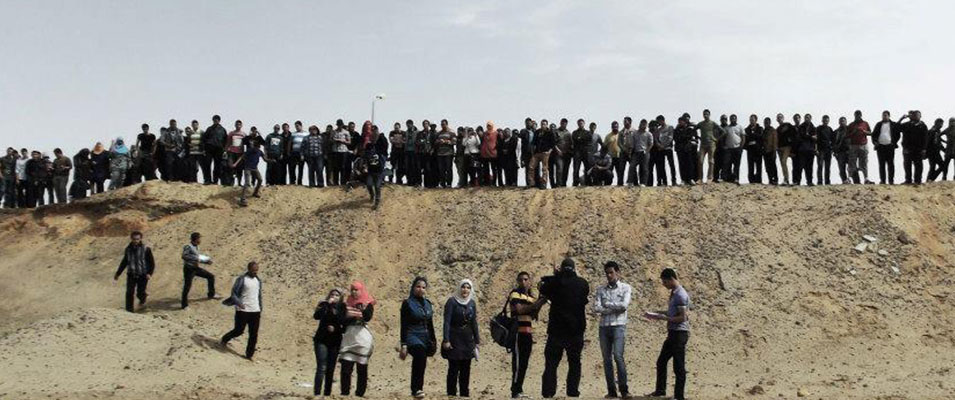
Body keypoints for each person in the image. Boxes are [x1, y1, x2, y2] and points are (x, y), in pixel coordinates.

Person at [535, 258, 590, 398]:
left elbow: (541, 288)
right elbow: (583, 297)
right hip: (576, 330)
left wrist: (557, 275)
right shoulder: (582, 283)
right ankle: (572, 391)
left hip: (556, 330)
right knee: (574, 362)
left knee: (551, 363)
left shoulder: (554, 282)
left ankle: (548, 392)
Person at [645, 268, 691, 400]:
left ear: (671, 279)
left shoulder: (681, 295)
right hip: (673, 333)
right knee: (661, 361)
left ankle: (679, 396)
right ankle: (660, 390)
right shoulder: (674, 293)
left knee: (678, 366)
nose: (664, 285)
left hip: (679, 333)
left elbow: (682, 317)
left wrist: (663, 318)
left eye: (665, 282)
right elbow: (672, 313)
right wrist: (656, 313)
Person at [594, 261, 633, 399]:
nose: (609, 275)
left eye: (611, 272)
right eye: (607, 273)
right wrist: (612, 308)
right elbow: (596, 307)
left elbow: (624, 305)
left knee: (618, 356)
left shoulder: (625, 288)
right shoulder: (601, 289)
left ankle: (624, 389)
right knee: (606, 359)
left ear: (618, 272)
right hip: (604, 327)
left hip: (618, 325)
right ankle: (611, 390)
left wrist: (608, 305)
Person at [400, 277, 436, 398]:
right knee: (419, 355)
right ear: (413, 288)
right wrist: (403, 344)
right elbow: (403, 324)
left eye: (423, 287)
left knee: (422, 361)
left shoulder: (428, 304)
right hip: (412, 335)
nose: (421, 289)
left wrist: (433, 340)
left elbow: (430, 324)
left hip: (425, 336)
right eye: (418, 286)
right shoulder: (407, 303)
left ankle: (419, 388)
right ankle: (416, 388)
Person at [442, 279, 480, 398]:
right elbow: (447, 322)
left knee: (466, 368)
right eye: (463, 287)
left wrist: (477, 341)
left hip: (467, 340)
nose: (465, 290)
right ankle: (451, 394)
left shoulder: (472, 303)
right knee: (453, 368)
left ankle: (464, 394)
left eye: (468, 288)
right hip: (454, 338)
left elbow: (474, 322)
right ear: (459, 288)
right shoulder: (452, 302)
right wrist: (446, 339)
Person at [339, 281, 375, 397]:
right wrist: (352, 317)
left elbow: (368, 317)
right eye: (352, 290)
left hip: (362, 337)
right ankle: (344, 393)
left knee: (362, 366)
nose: (354, 292)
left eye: (356, 290)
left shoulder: (367, 302)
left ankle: (360, 393)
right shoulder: (346, 303)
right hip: (349, 336)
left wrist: (361, 311)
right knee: (346, 366)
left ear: (361, 290)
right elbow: (341, 319)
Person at [221, 261, 263, 360]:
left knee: (254, 334)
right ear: (249, 269)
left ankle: (249, 355)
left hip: (255, 310)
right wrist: (239, 304)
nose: (255, 272)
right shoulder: (242, 279)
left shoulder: (258, 280)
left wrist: (260, 307)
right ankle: (225, 338)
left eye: (256, 270)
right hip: (243, 310)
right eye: (253, 270)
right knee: (239, 330)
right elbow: (234, 294)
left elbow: (259, 295)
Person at [506, 272, 538, 398]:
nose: (523, 282)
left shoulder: (531, 297)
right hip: (518, 332)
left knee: (524, 363)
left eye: (525, 279)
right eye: (520, 280)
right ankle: (515, 390)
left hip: (528, 332)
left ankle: (519, 388)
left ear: (529, 281)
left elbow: (533, 314)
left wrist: (540, 301)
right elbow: (519, 310)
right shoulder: (515, 294)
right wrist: (536, 304)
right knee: (518, 362)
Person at [113, 231, 156, 312]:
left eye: (137, 239)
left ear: (140, 239)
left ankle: (143, 299)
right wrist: (118, 273)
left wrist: (149, 273)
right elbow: (124, 262)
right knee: (129, 292)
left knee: (140, 292)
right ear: (131, 239)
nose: (135, 241)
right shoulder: (128, 249)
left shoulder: (146, 249)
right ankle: (129, 310)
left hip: (143, 274)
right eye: (134, 239)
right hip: (131, 274)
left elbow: (152, 263)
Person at [313, 288, 344, 396]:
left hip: (335, 341)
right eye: (332, 294)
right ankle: (317, 393)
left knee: (330, 369)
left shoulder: (342, 307)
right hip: (321, 339)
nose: (334, 297)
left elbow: (343, 322)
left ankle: (327, 393)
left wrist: (335, 328)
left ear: (340, 297)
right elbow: (316, 316)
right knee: (322, 367)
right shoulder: (324, 304)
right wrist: (326, 305)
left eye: (337, 295)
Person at [181, 232, 215, 309]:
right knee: (187, 286)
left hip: (196, 268)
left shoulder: (196, 247)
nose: (200, 240)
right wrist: (196, 258)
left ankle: (211, 294)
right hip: (189, 269)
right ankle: (184, 305)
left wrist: (206, 262)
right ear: (196, 239)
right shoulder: (188, 247)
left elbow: (197, 258)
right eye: (199, 238)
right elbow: (184, 256)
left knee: (211, 276)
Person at [232, 140, 270, 206]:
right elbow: (242, 157)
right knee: (247, 182)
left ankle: (255, 193)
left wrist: (271, 160)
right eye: (255, 147)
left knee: (260, 179)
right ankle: (242, 199)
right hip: (248, 168)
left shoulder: (259, 152)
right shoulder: (249, 150)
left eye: (257, 147)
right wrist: (235, 163)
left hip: (255, 168)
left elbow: (265, 159)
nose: (256, 149)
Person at [870, 111, 901, 185]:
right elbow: (873, 135)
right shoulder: (878, 124)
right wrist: (875, 142)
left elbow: (898, 134)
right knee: (881, 164)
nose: (884, 117)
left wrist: (894, 142)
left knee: (890, 164)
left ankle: (891, 181)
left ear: (889, 116)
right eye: (883, 115)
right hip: (880, 147)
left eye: (886, 115)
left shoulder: (893, 124)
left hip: (890, 147)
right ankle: (883, 180)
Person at [899, 110, 928, 185]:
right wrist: (901, 119)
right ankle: (908, 180)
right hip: (907, 149)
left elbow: (925, 138)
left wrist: (924, 149)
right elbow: (896, 128)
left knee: (918, 165)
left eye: (917, 115)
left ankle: (917, 180)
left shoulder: (923, 126)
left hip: (919, 149)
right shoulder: (907, 125)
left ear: (920, 116)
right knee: (907, 165)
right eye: (914, 115)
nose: (916, 116)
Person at [847, 110, 874, 184]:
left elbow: (871, 133)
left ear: (861, 115)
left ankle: (866, 178)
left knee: (864, 163)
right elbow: (847, 135)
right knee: (852, 163)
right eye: (856, 115)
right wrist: (854, 132)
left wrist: (864, 131)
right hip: (853, 145)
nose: (857, 116)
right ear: (854, 116)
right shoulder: (851, 124)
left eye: (859, 115)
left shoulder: (865, 123)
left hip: (863, 145)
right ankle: (849, 178)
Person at [200, 115, 228, 184]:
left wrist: (224, 150)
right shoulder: (209, 129)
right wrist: (203, 149)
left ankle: (215, 181)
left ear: (219, 121)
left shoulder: (223, 130)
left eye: (217, 120)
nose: (215, 121)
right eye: (214, 120)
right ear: (213, 120)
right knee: (207, 164)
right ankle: (207, 180)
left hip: (219, 149)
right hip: (209, 149)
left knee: (217, 166)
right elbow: (203, 139)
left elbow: (226, 141)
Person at [695, 110, 719, 183]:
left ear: (709, 115)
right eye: (704, 114)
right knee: (700, 161)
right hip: (703, 145)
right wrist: (698, 137)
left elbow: (723, 131)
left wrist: (716, 139)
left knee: (711, 161)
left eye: (707, 114)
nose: (705, 115)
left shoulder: (713, 123)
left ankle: (710, 178)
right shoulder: (701, 124)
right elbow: (693, 130)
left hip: (711, 144)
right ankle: (700, 178)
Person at [673, 117, 699, 185]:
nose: (680, 123)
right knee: (681, 164)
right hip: (680, 149)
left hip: (688, 149)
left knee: (690, 164)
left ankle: (690, 179)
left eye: (681, 121)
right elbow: (676, 138)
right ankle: (683, 179)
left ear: (685, 122)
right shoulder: (676, 130)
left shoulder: (689, 129)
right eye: (679, 121)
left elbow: (691, 137)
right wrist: (684, 138)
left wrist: (684, 138)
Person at [793, 114, 816, 186]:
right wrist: (810, 137)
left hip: (810, 150)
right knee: (800, 166)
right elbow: (801, 136)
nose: (807, 119)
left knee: (809, 167)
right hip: (802, 150)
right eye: (806, 117)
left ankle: (809, 181)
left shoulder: (813, 127)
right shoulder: (801, 127)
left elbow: (815, 139)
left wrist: (815, 149)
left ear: (811, 118)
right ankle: (798, 181)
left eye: (808, 117)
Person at [224, 120, 247, 186]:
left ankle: (239, 183)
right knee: (231, 167)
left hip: (240, 153)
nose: (238, 126)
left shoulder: (244, 134)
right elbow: (228, 143)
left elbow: (246, 144)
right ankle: (231, 182)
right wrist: (225, 151)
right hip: (232, 152)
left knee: (239, 168)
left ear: (241, 125)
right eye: (237, 124)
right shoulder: (231, 133)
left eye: (239, 124)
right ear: (235, 125)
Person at [435, 120, 456, 188]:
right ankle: (442, 184)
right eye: (442, 124)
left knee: (448, 169)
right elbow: (435, 142)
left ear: (447, 124)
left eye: (444, 124)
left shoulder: (451, 132)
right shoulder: (439, 133)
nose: (443, 126)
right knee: (441, 170)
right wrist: (438, 141)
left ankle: (449, 184)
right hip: (440, 154)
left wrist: (446, 141)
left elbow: (454, 142)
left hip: (448, 153)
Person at [632, 120, 653, 186]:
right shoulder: (635, 133)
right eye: (642, 124)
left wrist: (647, 151)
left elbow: (651, 144)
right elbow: (633, 143)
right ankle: (634, 182)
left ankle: (643, 183)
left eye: (645, 125)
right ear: (640, 124)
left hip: (644, 152)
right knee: (633, 166)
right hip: (636, 152)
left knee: (644, 168)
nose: (644, 126)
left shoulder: (649, 134)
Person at [775, 114, 795, 186]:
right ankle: (786, 179)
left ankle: (786, 179)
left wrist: (792, 143)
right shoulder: (777, 129)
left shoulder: (788, 125)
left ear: (783, 118)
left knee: (783, 161)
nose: (779, 119)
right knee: (782, 164)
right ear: (777, 120)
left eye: (780, 117)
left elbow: (794, 133)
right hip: (780, 148)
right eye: (778, 118)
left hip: (787, 147)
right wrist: (776, 147)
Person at [816, 115, 835, 185]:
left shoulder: (830, 129)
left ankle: (827, 181)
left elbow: (833, 140)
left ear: (828, 121)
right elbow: (815, 140)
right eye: (824, 120)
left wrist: (832, 149)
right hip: (820, 150)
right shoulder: (818, 129)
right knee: (820, 166)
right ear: (822, 120)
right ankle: (820, 181)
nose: (825, 121)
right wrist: (816, 149)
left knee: (827, 167)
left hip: (828, 150)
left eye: (827, 120)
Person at [288, 121, 308, 185]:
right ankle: (292, 181)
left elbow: (307, 143)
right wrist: (289, 151)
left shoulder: (306, 134)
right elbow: (290, 143)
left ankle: (299, 182)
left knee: (301, 167)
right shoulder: (293, 134)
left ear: (301, 126)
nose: (296, 127)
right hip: (294, 152)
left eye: (297, 126)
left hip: (301, 153)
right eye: (295, 126)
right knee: (292, 167)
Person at [833, 117, 851, 184]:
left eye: (843, 121)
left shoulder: (850, 130)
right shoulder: (836, 132)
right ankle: (844, 181)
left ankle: (856, 181)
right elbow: (833, 143)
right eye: (841, 121)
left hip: (849, 151)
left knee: (852, 167)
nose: (842, 122)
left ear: (846, 122)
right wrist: (835, 152)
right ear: (839, 122)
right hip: (840, 152)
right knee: (841, 168)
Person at [762, 118, 779, 185]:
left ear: (769, 123)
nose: (766, 123)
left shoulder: (773, 130)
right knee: (767, 166)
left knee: (773, 166)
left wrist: (774, 151)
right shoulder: (763, 131)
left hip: (772, 151)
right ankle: (770, 179)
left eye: (767, 122)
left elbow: (775, 141)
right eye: (765, 122)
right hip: (765, 151)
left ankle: (775, 179)